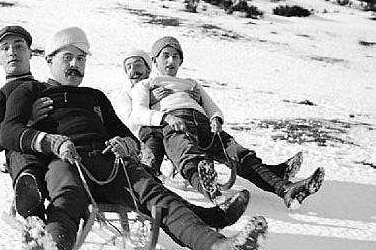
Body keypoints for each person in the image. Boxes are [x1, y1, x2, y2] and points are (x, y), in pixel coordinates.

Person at [0, 27, 268, 250]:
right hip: (66, 161)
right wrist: (51, 142)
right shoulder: (30, 92)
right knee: (67, 198)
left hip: (111, 161)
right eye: (67, 57)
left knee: (158, 198)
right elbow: (8, 132)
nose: (75, 65)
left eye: (80, 59)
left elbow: (127, 134)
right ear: (49, 60)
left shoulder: (95, 97)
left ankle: (218, 249)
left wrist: (126, 144)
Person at [131, 36, 324, 210]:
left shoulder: (191, 83)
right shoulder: (147, 85)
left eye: (176, 56)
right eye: (165, 56)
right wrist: (165, 118)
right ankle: (215, 196)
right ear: (155, 60)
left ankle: (286, 190)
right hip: (175, 122)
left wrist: (215, 118)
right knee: (188, 155)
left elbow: (211, 106)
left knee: (238, 154)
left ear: (181, 61)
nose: (171, 61)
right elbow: (138, 113)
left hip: (203, 123)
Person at [114, 47, 251, 204]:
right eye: (128, 67)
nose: (133, 70)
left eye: (137, 65)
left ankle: (201, 176)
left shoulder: (158, 84)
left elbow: (179, 102)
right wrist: (151, 101)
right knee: (152, 152)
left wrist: (194, 99)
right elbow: (132, 120)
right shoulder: (126, 94)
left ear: (148, 68)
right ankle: (148, 186)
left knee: (183, 140)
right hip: (148, 130)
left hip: (169, 125)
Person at [0, 25, 52, 219]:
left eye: (19, 46)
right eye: (5, 48)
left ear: (30, 53)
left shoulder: (48, 89)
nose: (12, 52)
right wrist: (26, 119)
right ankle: (32, 209)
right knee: (22, 155)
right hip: (25, 156)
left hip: (58, 150)